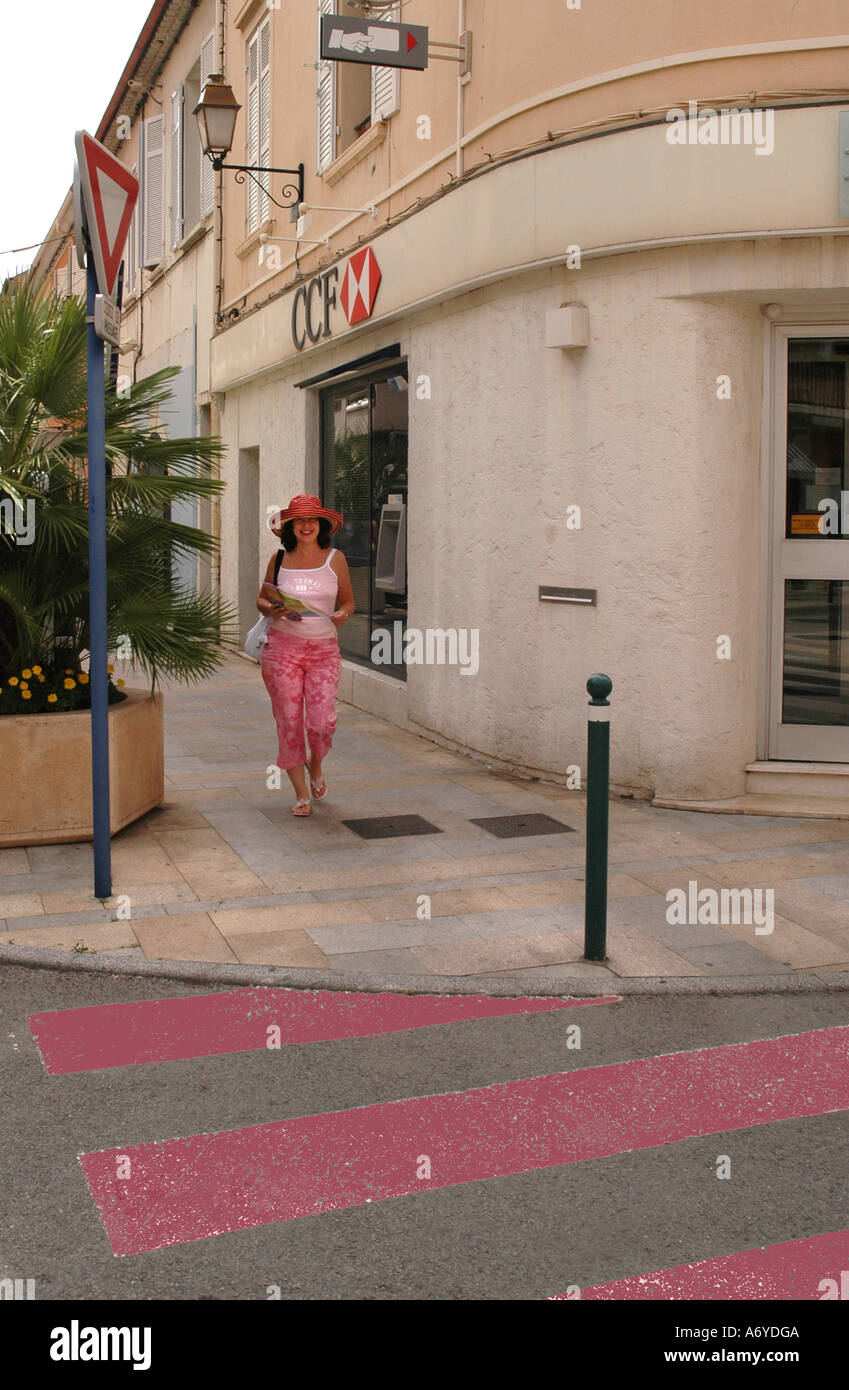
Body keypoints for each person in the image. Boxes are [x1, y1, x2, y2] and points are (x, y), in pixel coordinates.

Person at [256, 494, 354, 816]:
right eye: (300, 520)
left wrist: (342, 614)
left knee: (322, 723)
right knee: (289, 722)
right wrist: (273, 608)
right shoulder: (279, 559)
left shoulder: (335, 559)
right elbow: (261, 599)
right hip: (282, 650)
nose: (307, 525)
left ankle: (316, 765)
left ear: (322, 525)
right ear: (291, 526)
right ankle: (300, 794)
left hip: (324, 652)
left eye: (313, 520)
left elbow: (349, 603)